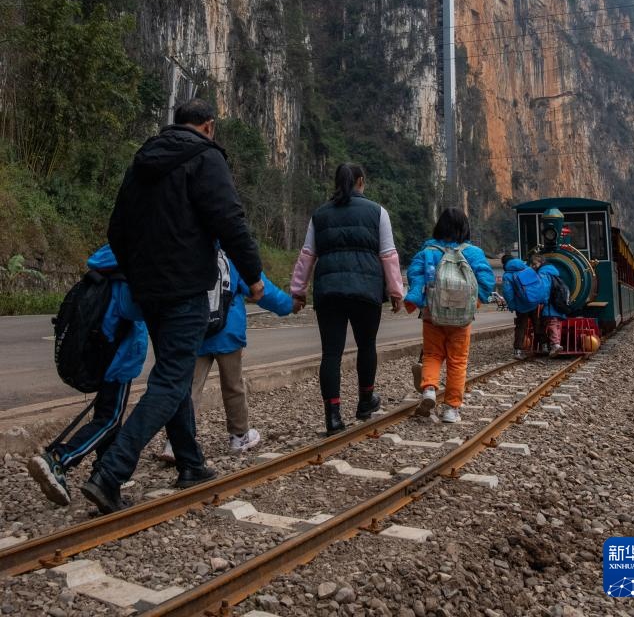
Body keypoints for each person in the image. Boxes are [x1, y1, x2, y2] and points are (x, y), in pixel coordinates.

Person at [80, 98, 264, 514]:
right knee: (169, 382)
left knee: (173, 372)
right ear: (209, 127)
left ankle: (191, 463)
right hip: (185, 289)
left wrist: (138, 272)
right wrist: (252, 275)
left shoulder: (143, 160)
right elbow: (230, 220)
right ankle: (110, 474)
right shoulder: (206, 157)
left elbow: (117, 230)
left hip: (149, 291)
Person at [27, 245, 147, 505]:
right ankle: (59, 459)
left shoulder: (107, 265)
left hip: (101, 356)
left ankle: (105, 481)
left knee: (107, 418)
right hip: (119, 361)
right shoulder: (127, 275)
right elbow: (139, 309)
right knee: (110, 420)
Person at [290, 163, 404, 435]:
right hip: (366, 290)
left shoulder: (320, 214)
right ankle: (365, 402)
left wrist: (298, 290)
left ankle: (333, 416)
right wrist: (396, 291)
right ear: (360, 182)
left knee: (331, 353)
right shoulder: (378, 212)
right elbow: (388, 254)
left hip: (329, 291)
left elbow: (308, 254)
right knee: (367, 346)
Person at [159, 253, 293, 460]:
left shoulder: (189, 249)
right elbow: (263, 289)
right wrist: (289, 305)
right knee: (233, 386)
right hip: (228, 333)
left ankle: (176, 442)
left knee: (189, 387)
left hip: (196, 332)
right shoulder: (232, 255)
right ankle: (239, 436)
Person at [405, 208, 495, 423]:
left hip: (432, 315)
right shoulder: (473, 253)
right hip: (462, 318)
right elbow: (486, 280)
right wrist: (476, 302)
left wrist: (417, 297)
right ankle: (451, 409)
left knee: (432, 354)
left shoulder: (429, 251)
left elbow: (415, 274)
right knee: (457, 361)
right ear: (465, 228)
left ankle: (428, 389)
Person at [501, 253, 546, 359]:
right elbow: (538, 283)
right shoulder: (526, 267)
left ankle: (518, 351)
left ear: (504, 264)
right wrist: (540, 298)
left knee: (521, 327)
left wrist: (512, 306)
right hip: (534, 302)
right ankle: (544, 346)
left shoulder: (508, 275)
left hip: (521, 305)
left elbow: (508, 292)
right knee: (538, 323)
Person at [528, 249, 564, 357]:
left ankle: (555, 345)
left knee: (551, 323)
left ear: (541, 263)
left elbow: (544, 288)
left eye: (534, 264)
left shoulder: (543, 272)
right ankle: (554, 344)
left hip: (549, 303)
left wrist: (542, 301)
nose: (533, 266)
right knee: (556, 324)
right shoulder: (552, 271)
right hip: (557, 302)